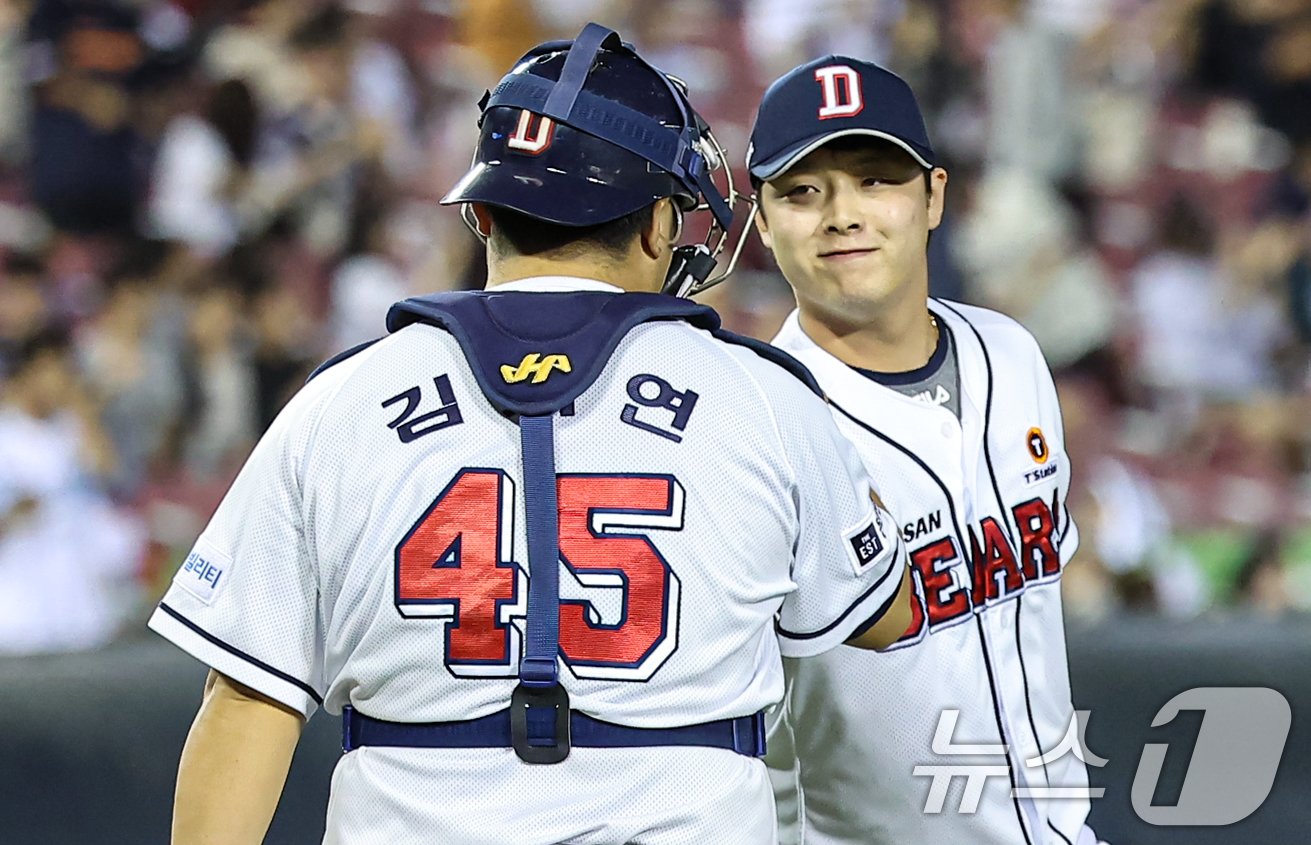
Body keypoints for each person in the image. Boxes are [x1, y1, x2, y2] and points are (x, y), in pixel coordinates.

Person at [148, 25, 912, 845]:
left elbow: (247, 702)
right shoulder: (759, 396)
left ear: (480, 212)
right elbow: (881, 614)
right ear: (660, 224)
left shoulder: (339, 401)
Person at [747, 56, 1105, 845]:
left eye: (876, 180)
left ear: (934, 196)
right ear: (763, 221)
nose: (843, 215)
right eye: (803, 192)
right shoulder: (756, 422)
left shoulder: (1011, 354)